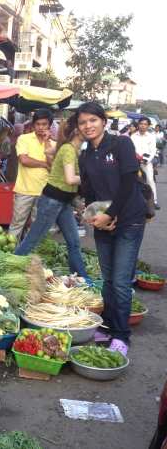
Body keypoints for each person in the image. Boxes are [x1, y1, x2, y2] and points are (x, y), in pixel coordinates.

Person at [77, 102, 147, 356]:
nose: (88, 126)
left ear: (103, 121)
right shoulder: (85, 154)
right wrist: (93, 215)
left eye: (92, 120)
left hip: (129, 219)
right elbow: (89, 191)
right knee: (107, 280)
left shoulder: (121, 144)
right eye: (83, 122)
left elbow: (130, 182)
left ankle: (121, 336)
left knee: (119, 281)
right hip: (105, 221)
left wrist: (111, 214)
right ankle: (105, 327)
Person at [15, 118, 89, 278]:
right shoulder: (68, 149)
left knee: (74, 242)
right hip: (51, 201)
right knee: (32, 241)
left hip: (64, 202)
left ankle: (82, 278)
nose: (89, 128)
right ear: (76, 131)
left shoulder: (69, 148)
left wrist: (51, 146)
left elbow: (48, 152)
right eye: (84, 125)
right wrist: (91, 175)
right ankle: (9, 269)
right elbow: (70, 179)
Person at [8, 109, 56, 239]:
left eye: (44, 124)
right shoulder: (24, 139)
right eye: (38, 124)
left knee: (37, 226)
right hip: (24, 190)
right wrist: (44, 164)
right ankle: (11, 254)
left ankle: (31, 254)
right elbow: (24, 160)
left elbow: (53, 168)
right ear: (33, 125)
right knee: (17, 224)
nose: (41, 127)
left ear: (49, 125)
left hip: (45, 192)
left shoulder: (54, 144)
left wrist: (47, 143)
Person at [131, 117, 159, 209]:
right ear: (138, 125)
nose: (143, 126)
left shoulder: (151, 137)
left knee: (150, 180)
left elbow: (152, 151)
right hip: (135, 162)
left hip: (146, 163)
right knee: (134, 181)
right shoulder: (133, 136)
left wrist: (146, 160)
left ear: (148, 126)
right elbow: (131, 149)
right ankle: (135, 201)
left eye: (145, 124)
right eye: (141, 124)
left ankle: (154, 201)